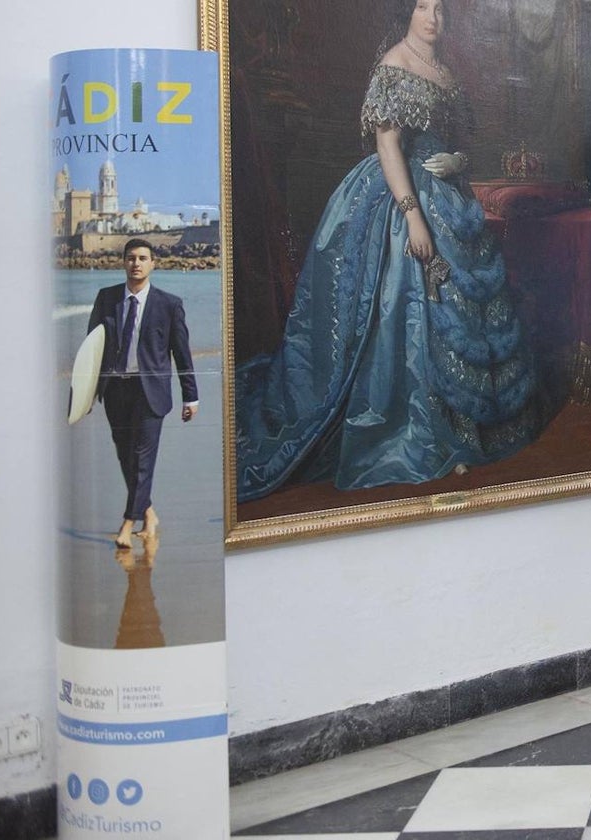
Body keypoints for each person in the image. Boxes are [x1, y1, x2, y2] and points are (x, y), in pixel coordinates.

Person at [234, 0, 545, 502]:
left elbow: (466, 141)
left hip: (450, 196)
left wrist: (458, 159)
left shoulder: (445, 71)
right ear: (408, 11)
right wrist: (412, 214)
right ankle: (420, 430)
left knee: (470, 306)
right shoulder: (393, 65)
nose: (433, 17)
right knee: (405, 302)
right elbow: (387, 147)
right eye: (424, 6)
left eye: (442, 9)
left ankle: (467, 431)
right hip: (399, 200)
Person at [88, 238, 198, 548]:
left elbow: (182, 352)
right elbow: (91, 349)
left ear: (153, 263)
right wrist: (83, 395)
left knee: (142, 459)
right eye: (131, 258)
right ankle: (148, 512)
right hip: (115, 390)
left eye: (143, 258)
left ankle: (127, 523)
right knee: (125, 456)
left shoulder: (169, 304)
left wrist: (191, 396)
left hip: (151, 392)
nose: (136, 263)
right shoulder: (106, 298)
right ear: (123, 262)